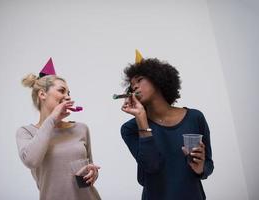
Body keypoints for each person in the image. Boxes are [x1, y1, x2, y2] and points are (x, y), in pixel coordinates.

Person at [120, 50, 214, 200]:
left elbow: (208, 165)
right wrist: (141, 119)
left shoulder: (195, 117)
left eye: (139, 80)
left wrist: (200, 167)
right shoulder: (130, 129)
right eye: (131, 85)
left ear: (157, 79)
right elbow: (152, 166)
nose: (134, 87)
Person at [16, 58, 101, 200]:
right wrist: (53, 118)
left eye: (69, 93)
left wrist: (93, 173)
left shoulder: (81, 129)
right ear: (42, 94)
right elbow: (32, 161)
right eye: (62, 91)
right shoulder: (26, 133)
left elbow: (90, 167)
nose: (67, 97)